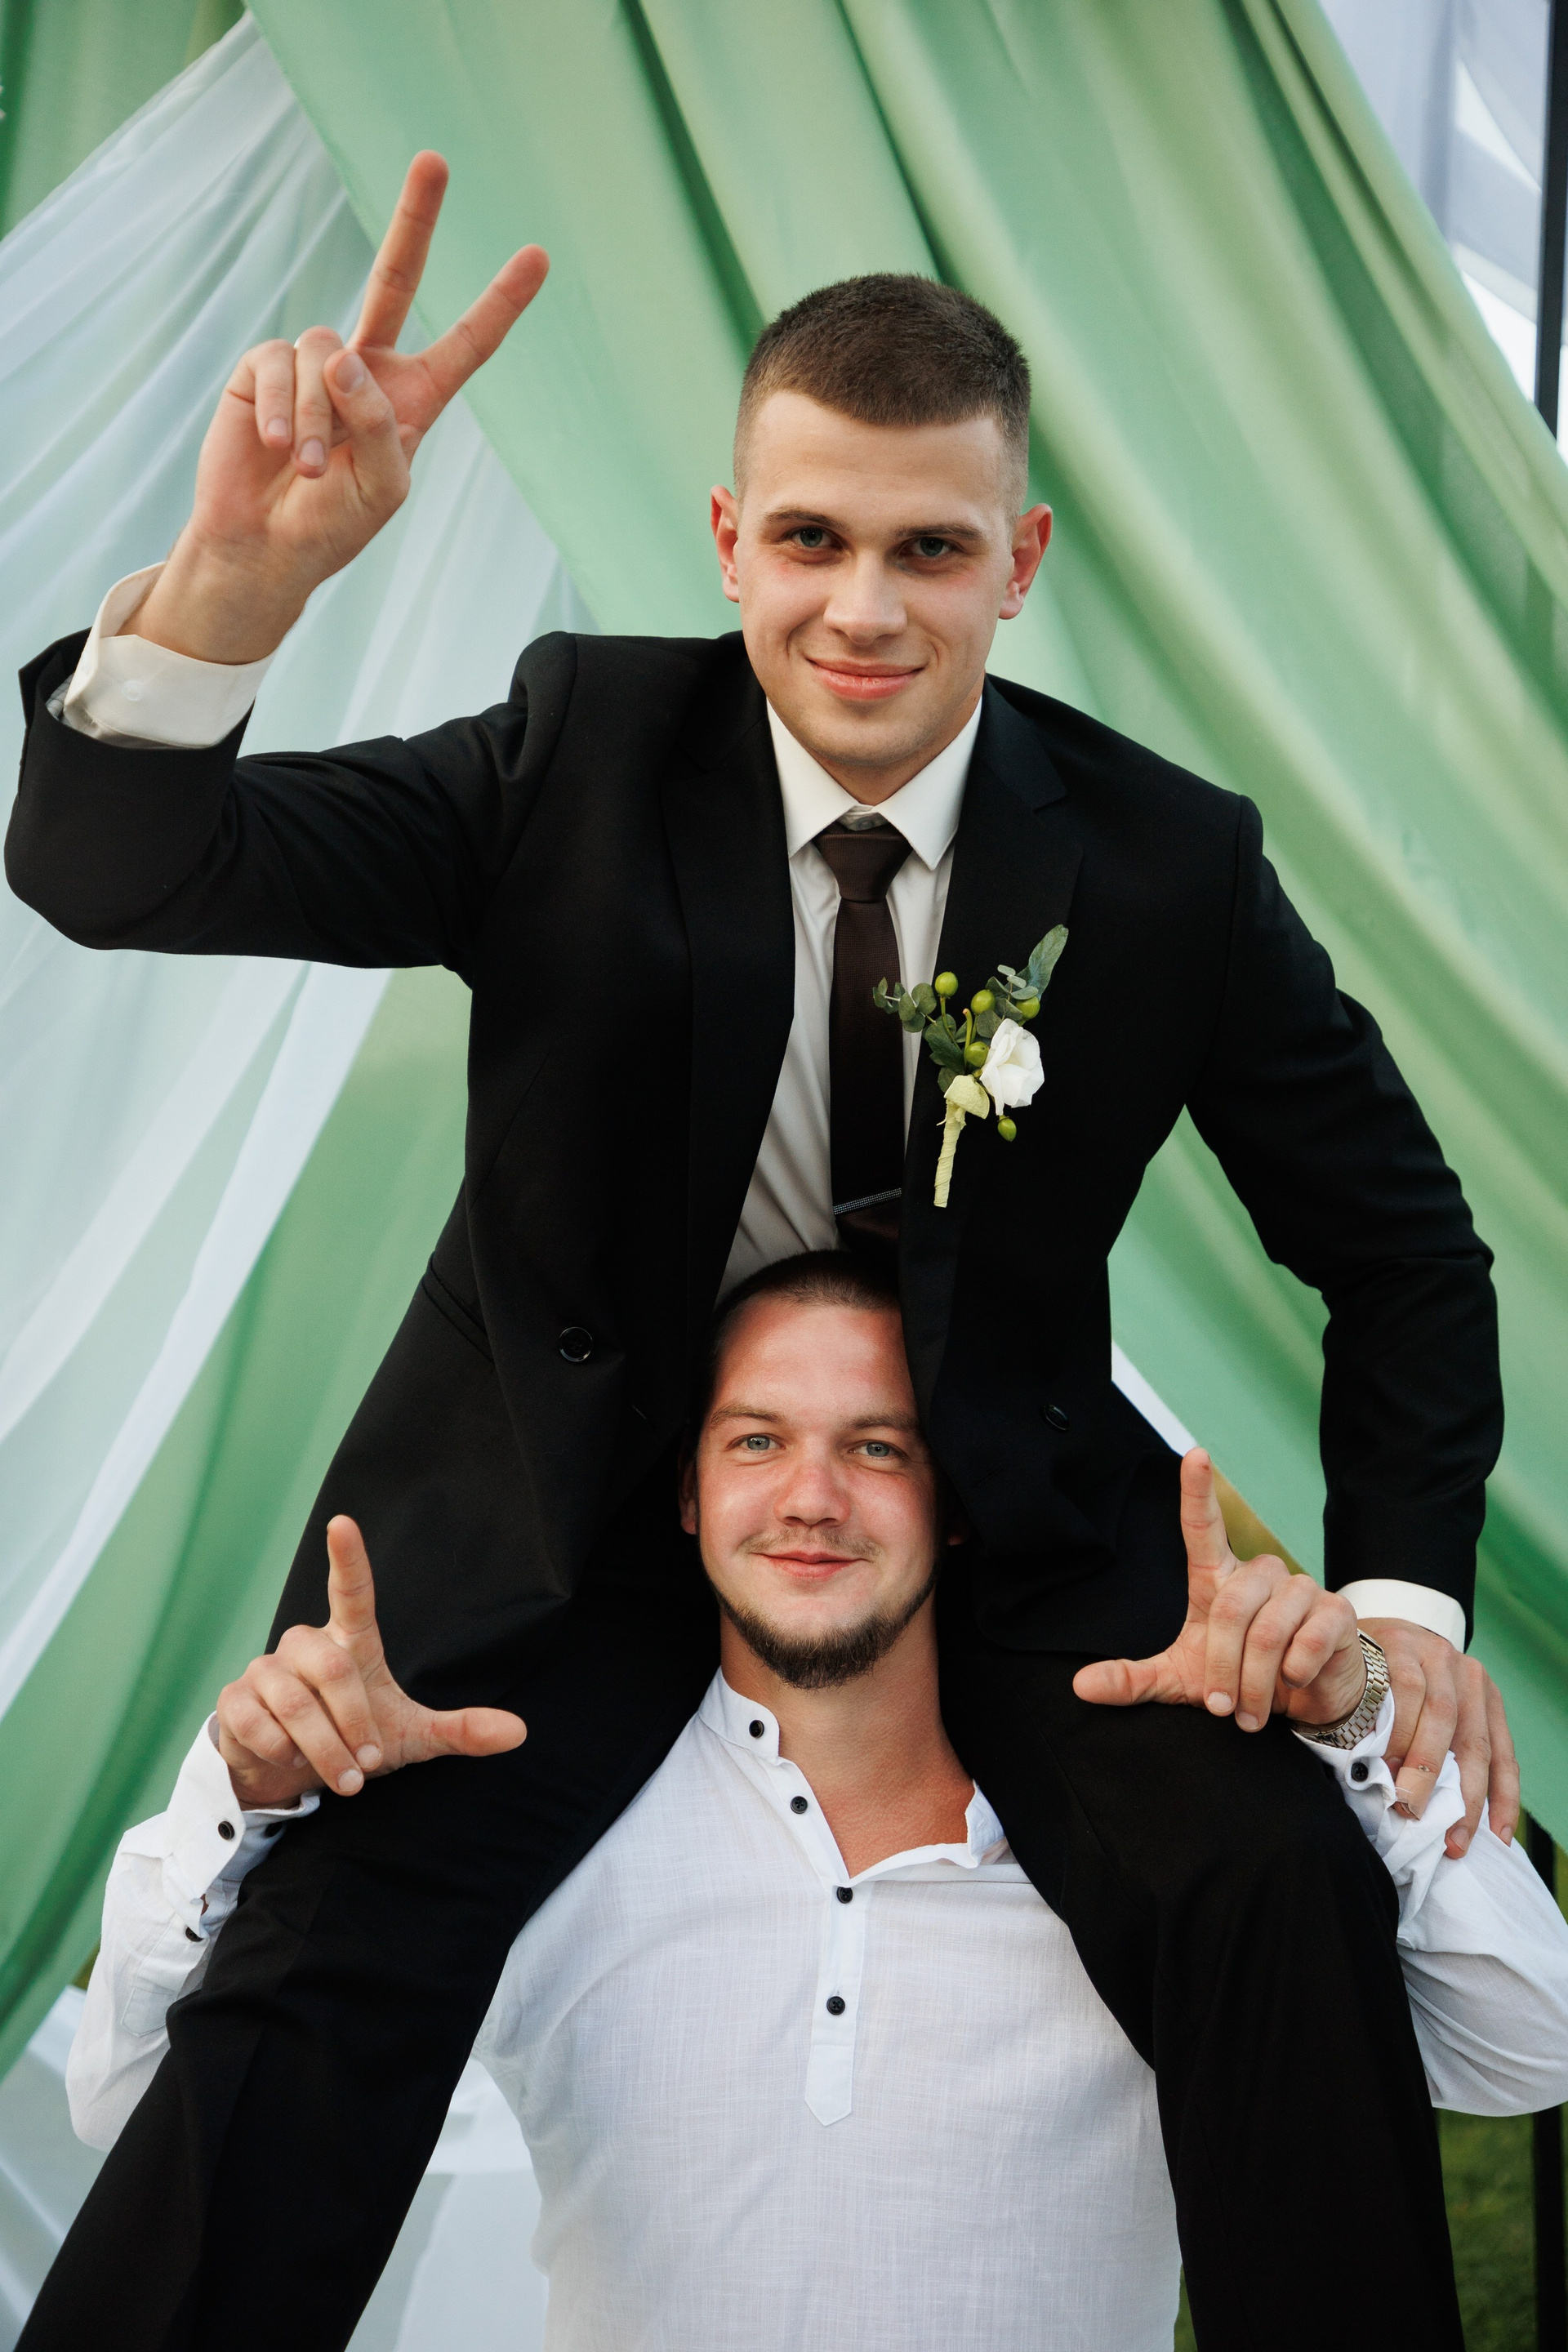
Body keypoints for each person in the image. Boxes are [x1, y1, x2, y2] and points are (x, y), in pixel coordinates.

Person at [6, 154, 1515, 2350]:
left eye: (930, 549)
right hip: (542, 1523)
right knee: (333, 1936)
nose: (863, 609)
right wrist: (235, 585)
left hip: (998, 1516)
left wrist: (1397, 1609)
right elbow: (123, 867)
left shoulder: (1164, 865)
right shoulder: (573, 752)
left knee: (1270, 1877)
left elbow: (1404, 1247)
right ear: (729, 541)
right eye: (809, 539)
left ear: (1021, 561)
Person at [65, 1260, 1568, 2350]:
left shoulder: (1151, 1846)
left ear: (957, 1499)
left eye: (878, 1448)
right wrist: (235, 1797)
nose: (811, 1498)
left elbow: (1525, 2044)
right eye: (758, 1440)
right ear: (684, 1493)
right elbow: (134, 2109)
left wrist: (1349, 1722)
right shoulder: (554, 1833)